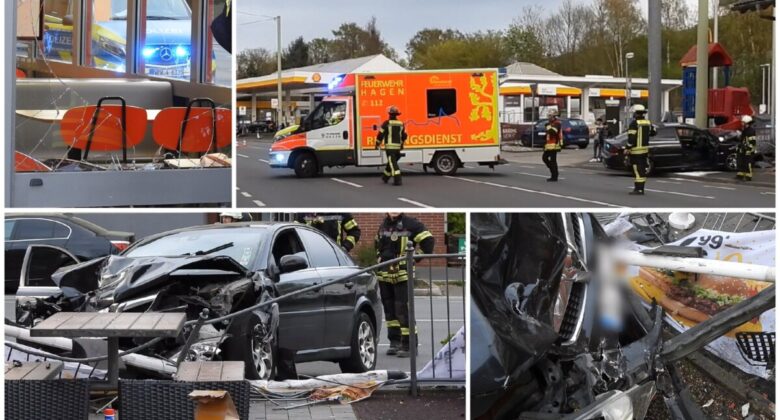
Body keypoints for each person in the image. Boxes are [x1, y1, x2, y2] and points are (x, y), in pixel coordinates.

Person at [375, 213, 434, 357]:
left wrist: (414, 257)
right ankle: (394, 342)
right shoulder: (384, 225)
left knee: (403, 308)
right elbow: (378, 244)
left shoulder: (411, 223)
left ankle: (409, 345)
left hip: (403, 274)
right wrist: (378, 256)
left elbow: (429, 242)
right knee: (389, 309)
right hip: (384, 273)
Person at [624, 104, 656, 195]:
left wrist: (627, 147)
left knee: (637, 170)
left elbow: (632, 138)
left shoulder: (634, 124)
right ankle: (640, 188)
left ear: (635, 113)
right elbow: (654, 132)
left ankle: (638, 189)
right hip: (645, 150)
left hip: (636, 151)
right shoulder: (647, 122)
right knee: (642, 169)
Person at [294, 213, 361, 252]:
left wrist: (344, 248)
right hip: (311, 258)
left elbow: (354, 231)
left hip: (335, 256)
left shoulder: (340, 212)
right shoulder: (304, 212)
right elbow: (295, 233)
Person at [375, 106, 408, 186]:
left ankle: (398, 180)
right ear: (397, 115)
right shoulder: (401, 124)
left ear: (389, 114)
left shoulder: (387, 123)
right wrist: (402, 144)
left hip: (390, 148)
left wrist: (377, 144)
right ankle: (385, 177)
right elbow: (404, 136)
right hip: (398, 147)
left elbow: (380, 135)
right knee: (391, 162)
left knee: (393, 164)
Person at [542, 110, 563, 181]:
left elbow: (553, 132)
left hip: (555, 145)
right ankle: (553, 170)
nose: (548, 117)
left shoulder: (557, 123)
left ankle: (554, 176)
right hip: (549, 145)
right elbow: (548, 133)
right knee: (544, 158)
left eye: (550, 116)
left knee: (553, 161)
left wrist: (548, 126)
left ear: (554, 116)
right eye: (548, 116)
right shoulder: (550, 123)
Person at [736, 115, 757, 181]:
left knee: (748, 163)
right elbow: (742, 140)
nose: (742, 123)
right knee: (741, 162)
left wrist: (749, 150)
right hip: (743, 149)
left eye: (743, 122)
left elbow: (752, 142)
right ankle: (740, 175)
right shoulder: (744, 130)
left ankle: (748, 177)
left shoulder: (751, 131)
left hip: (749, 150)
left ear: (747, 123)